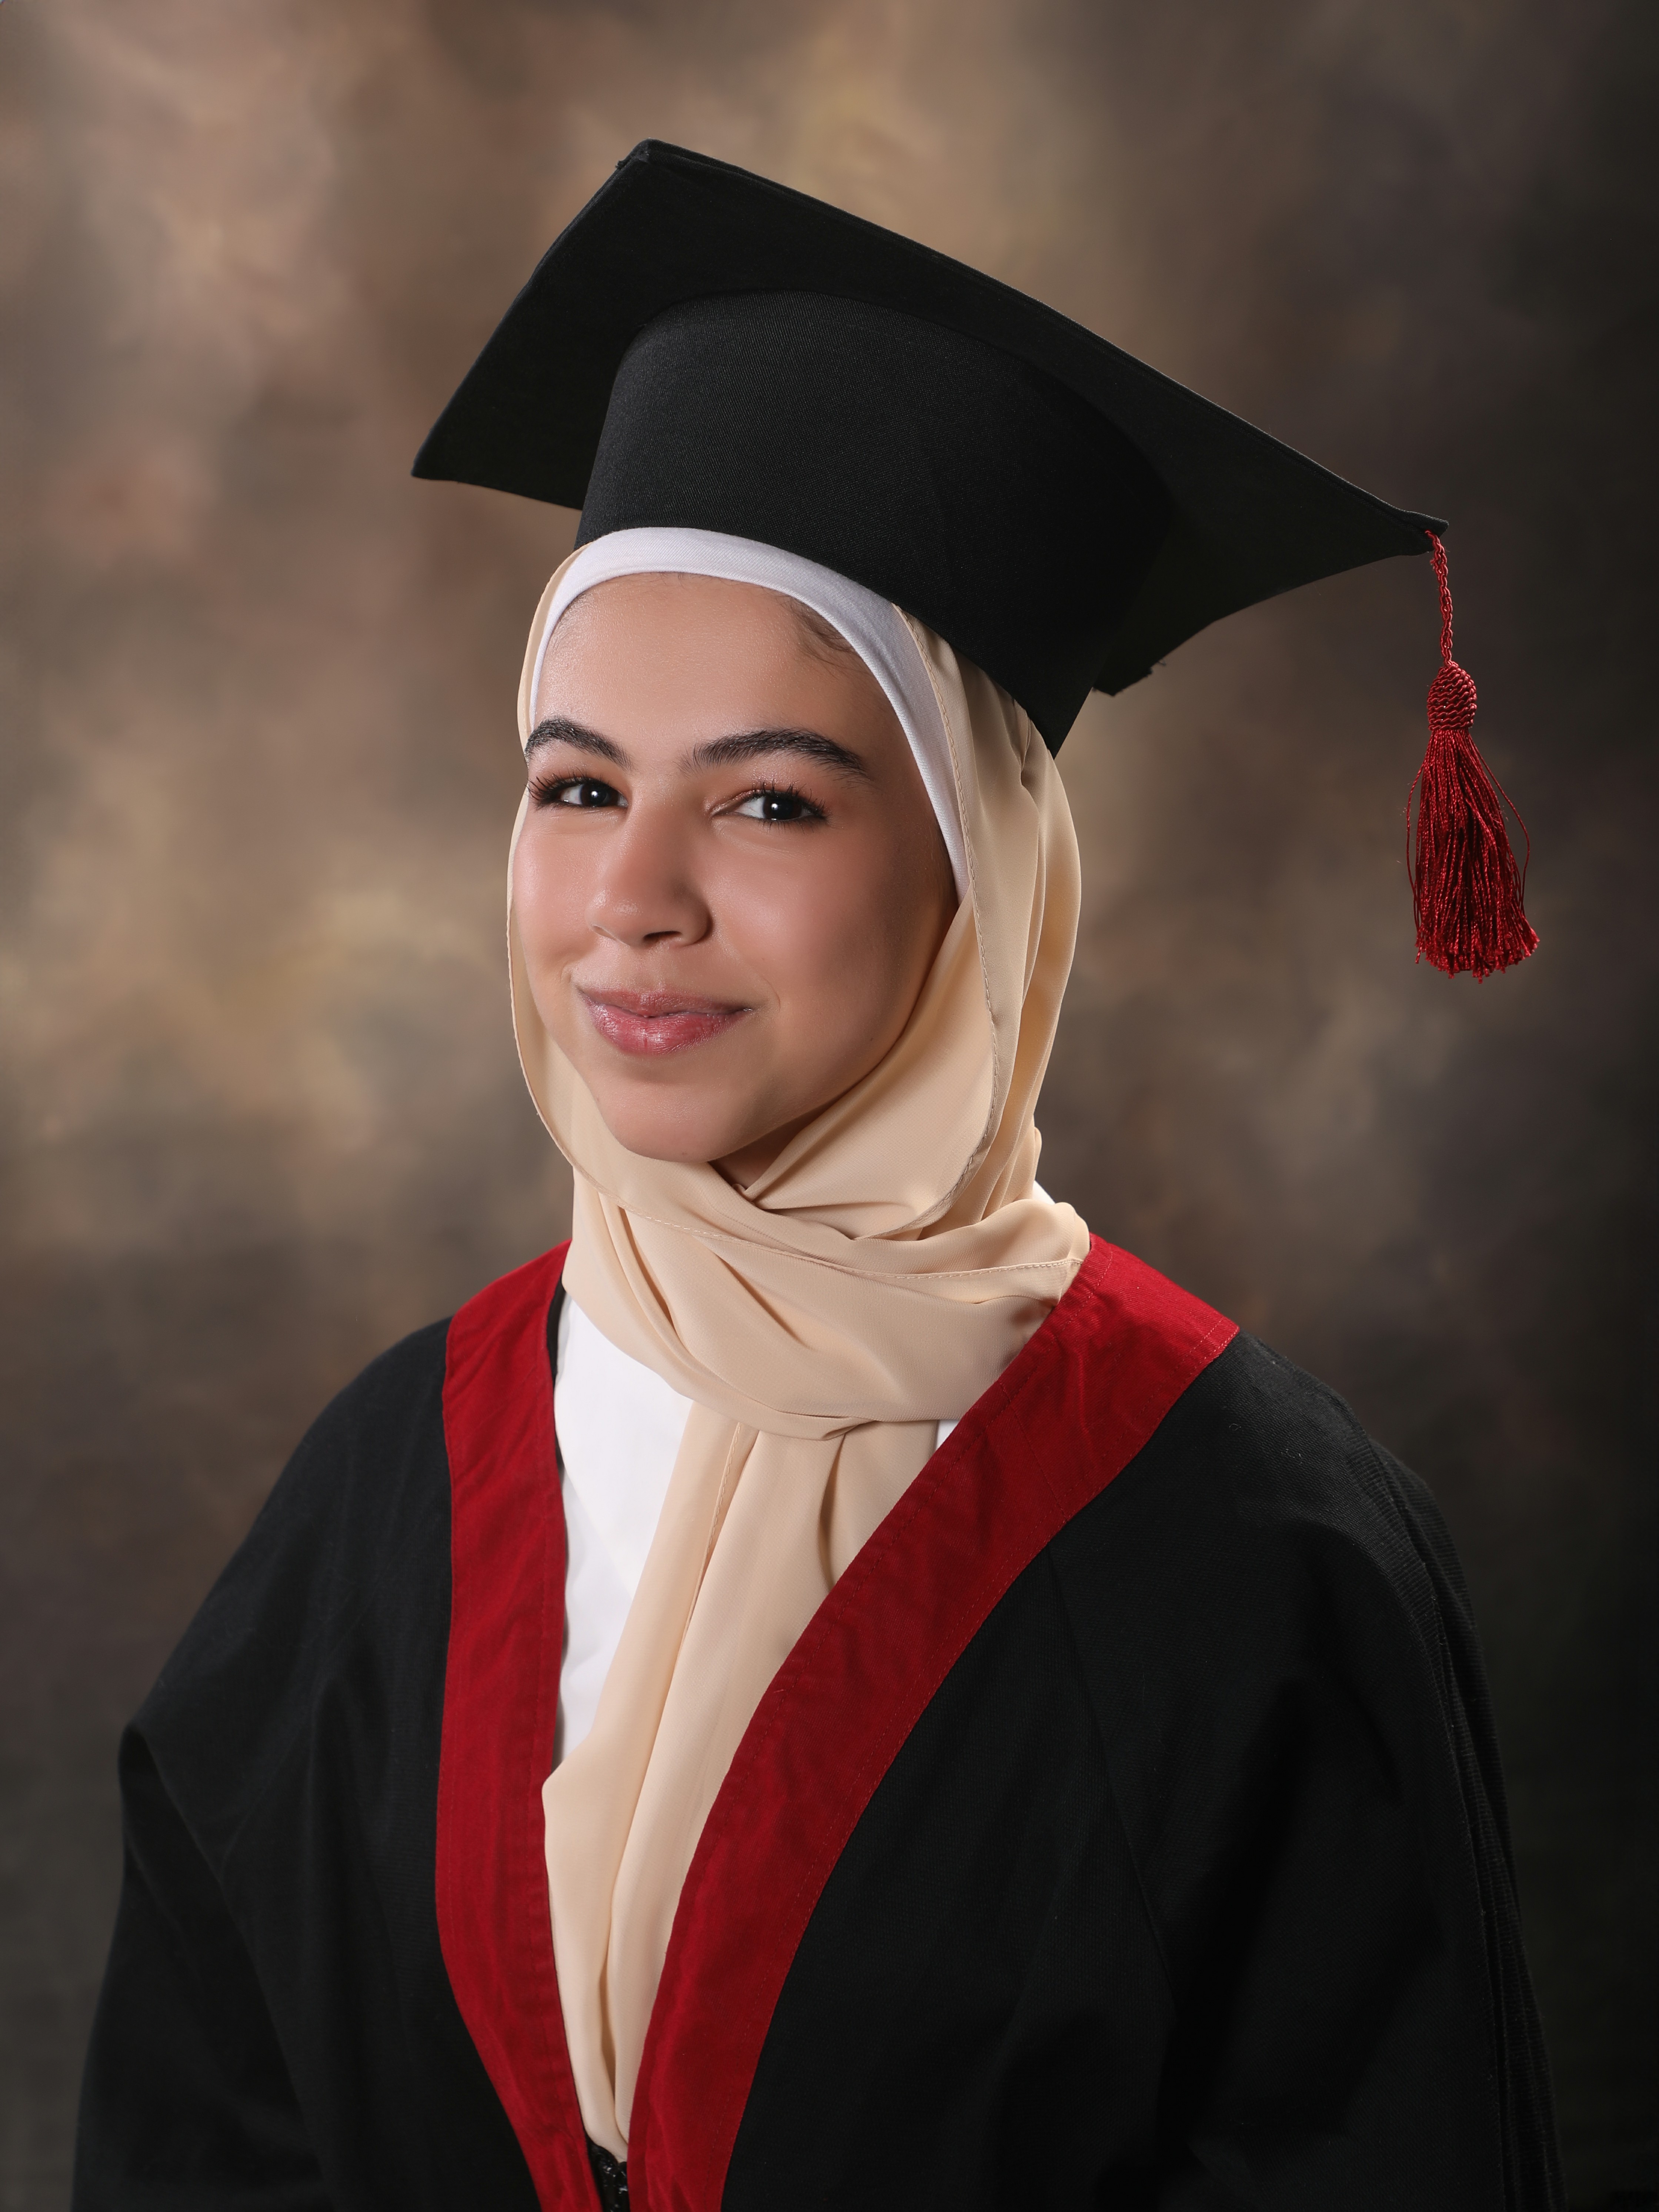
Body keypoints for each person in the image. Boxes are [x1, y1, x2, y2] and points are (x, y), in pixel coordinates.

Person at [72, 143, 1560, 2212]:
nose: (633, 897)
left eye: (770, 800)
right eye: (576, 783)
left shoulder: (1258, 1553)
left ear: (979, 873)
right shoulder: (383, 1491)